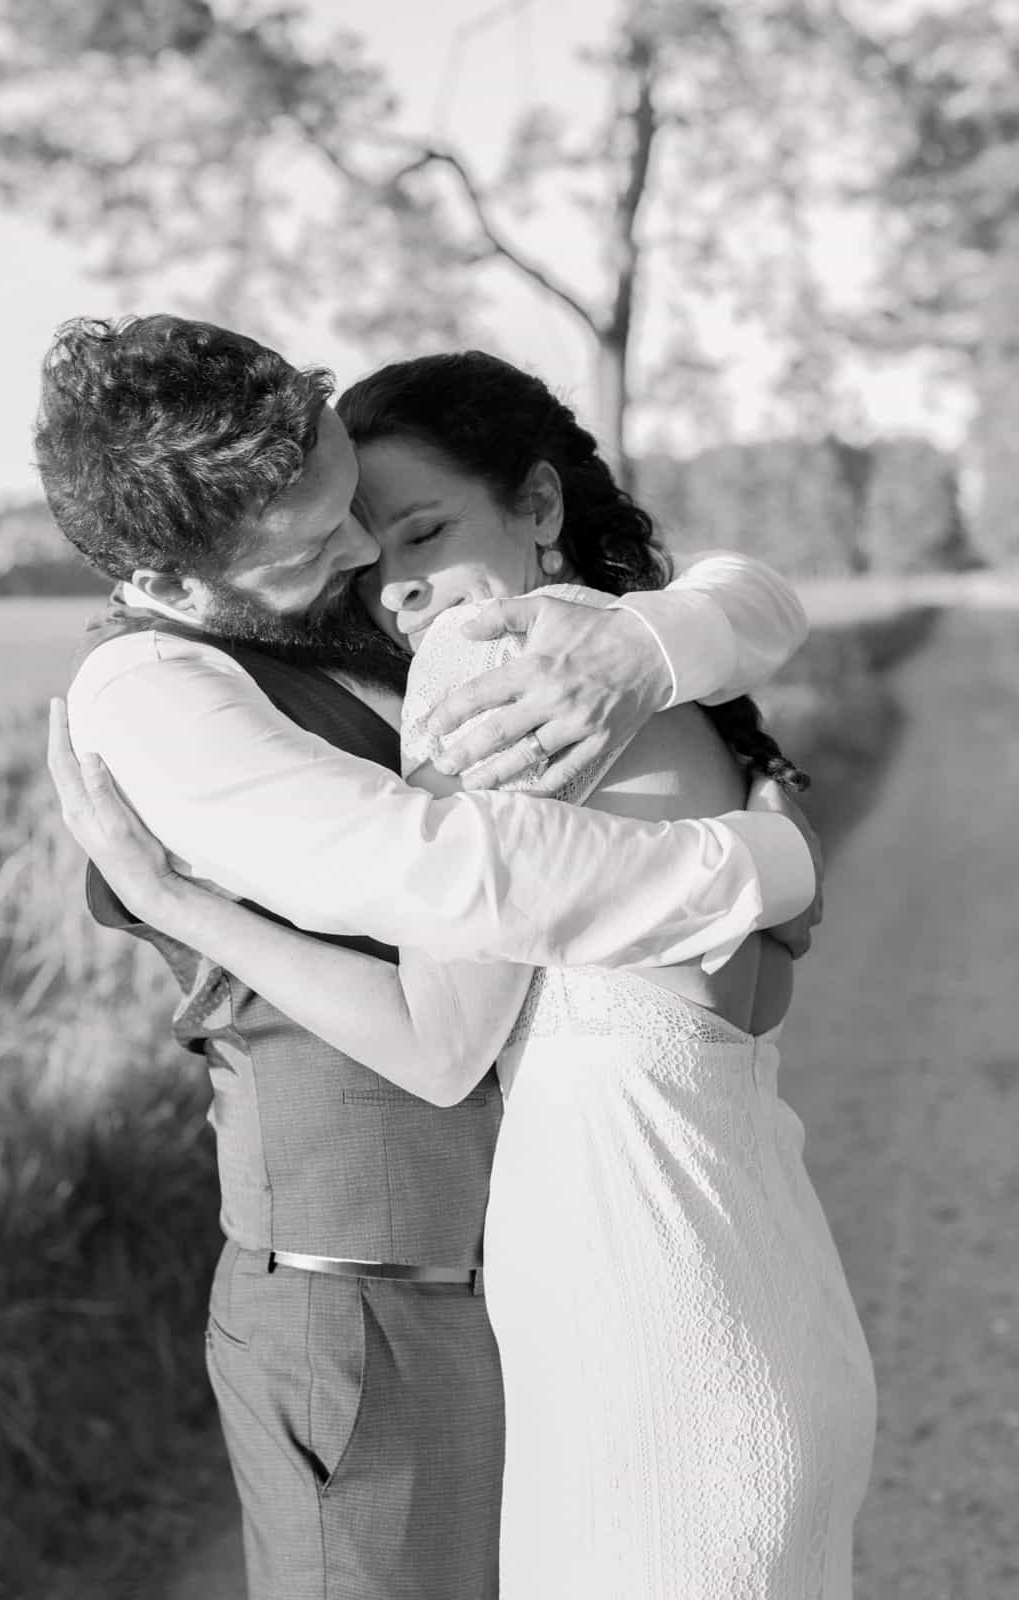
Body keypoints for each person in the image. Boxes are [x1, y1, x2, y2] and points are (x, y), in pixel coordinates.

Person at [43, 315, 822, 1600]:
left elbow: (740, 593)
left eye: (361, 505)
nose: (361, 557)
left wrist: (647, 642)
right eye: (320, 541)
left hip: (538, 1263)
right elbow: (463, 880)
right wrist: (765, 868)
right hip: (363, 1300)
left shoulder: (378, 621)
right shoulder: (159, 698)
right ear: (172, 583)